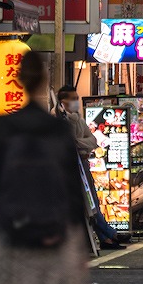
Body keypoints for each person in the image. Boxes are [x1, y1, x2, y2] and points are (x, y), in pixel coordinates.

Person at [0, 51, 88, 284]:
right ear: (45, 80)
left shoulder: (0, 127)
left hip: (11, 232)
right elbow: (74, 192)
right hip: (53, 233)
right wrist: (80, 244)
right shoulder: (59, 130)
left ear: (19, 81)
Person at [55, 86, 122, 250]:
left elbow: (92, 141)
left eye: (77, 98)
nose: (77, 102)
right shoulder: (58, 119)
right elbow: (69, 144)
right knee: (89, 204)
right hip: (71, 167)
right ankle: (110, 234)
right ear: (63, 102)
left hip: (83, 163)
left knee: (93, 202)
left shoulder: (77, 117)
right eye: (74, 99)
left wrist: (80, 143)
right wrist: (79, 143)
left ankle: (106, 238)